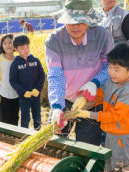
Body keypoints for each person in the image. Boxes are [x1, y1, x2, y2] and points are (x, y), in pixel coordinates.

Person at [46, 0, 113, 145]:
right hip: (63, 99)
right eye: (71, 22)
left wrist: (95, 82)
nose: (75, 26)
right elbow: (55, 75)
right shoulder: (54, 41)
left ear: (90, 21)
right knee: (52, 144)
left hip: (91, 101)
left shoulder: (102, 36)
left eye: (81, 22)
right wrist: (57, 107)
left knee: (87, 147)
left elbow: (110, 65)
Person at [75, 43, 129, 172]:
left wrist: (90, 115)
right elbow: (100, 95)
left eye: (117, 69)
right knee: (108, 165)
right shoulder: (110, 82)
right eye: (110, 68)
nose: (112, 73)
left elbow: (115, 116)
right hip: (110, 133)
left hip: (123, 137)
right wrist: (86, 100)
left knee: (120, 170)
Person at [10, 35, 45, 130]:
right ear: (16, 49)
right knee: (25, 118)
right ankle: (24, 135)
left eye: (27, 47)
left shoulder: (35, 60)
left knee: (37, 117)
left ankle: (38, 134)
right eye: (22, 48)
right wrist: (23, 92)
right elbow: (13, 81)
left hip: (36, 95)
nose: (26, 50)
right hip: (24, 96)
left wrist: (38, 88)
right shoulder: (15, 64)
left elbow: (42, 76)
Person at [0, 34, 20, 126]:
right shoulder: (0, 60)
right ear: (2, 46)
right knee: (3, 118)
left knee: (14, 117)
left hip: (15, 95)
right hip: (3, 95)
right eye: (5, 43)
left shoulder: (18, 60)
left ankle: (13, 138)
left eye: (10, 42)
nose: (8, 45)